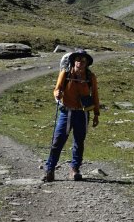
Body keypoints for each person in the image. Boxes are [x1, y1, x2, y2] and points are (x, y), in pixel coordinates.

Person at [43, 49, 100, 182]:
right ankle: (49, 170)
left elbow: (95, 95)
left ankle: (74, 169)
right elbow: (57, 89)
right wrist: (57, 94)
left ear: (87, 63)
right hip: (66, 111)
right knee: (57, 141)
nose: (80, 62)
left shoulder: (90, 77)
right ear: (74, 61)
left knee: (79, 142)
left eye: (83, 60)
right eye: (78, 60)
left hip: (83, 113)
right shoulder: (66, 73)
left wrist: (96, 114)